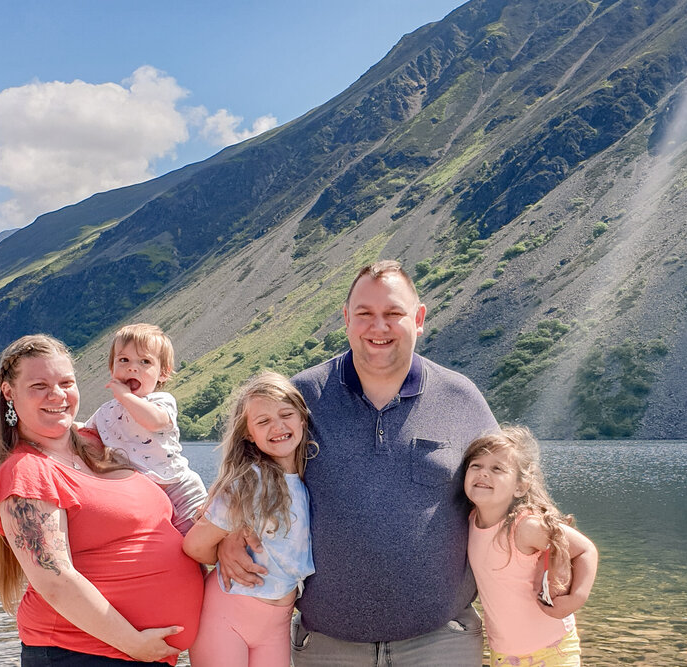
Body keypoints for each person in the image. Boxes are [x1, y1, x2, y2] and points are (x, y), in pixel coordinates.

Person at [218, 260, 500, 666]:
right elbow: (249, 471)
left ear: (418, 319)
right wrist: (231, 532)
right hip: (327, 644)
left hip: (441, 640)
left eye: (393, 314)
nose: (378, 327)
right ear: (346, 319)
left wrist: (559, 543)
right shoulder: (302, 396)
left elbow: (512, 487)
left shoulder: (461, 397)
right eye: (365, 314)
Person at [0, 334, 204, 665]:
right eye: (39, 385)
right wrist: (133, 643)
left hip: (139, 655)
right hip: (82, 654)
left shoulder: (100, 442)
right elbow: (55, 580)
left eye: (66, 382)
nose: (57, 395)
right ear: (9, 393)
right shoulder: (26, 473)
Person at [183, 371, 315, 667]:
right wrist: (221, 553)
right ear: (248, 433)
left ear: (302, 419)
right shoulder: (248, 482)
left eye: (286, 414)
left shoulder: (311, 478)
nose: (278, 427)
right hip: (227, 613)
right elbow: (194, 546)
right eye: (263, 421)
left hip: (277, 624)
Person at [463, 426, 598, 667]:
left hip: (553, 650)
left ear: (520, 487)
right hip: (503, 655)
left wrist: (576, 597)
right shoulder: (470, 521)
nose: (483, 474)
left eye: (497, 469)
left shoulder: (525, 526)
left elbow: (585, 549)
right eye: (476, 465)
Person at [83, 323, 207, 534]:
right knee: (165, 548)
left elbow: (154, 421)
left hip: (180, 490)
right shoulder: (105, 412)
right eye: (124, 360)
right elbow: (85, 433)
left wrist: (126, 397)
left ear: (163, 374)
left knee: (196, 545)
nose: (133, 367)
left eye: (145, 362)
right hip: (144, 497)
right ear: (112, 368)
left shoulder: (161, 401)